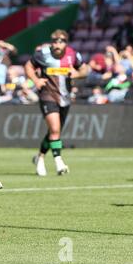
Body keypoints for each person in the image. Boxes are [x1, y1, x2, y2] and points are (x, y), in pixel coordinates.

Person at [25, 29, 89, 176]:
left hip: (65, 98)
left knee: (54, 132)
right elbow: (28, 66)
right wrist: (35, 80)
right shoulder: (42, 53)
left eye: (61, 41)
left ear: (66, 43)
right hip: (48, 96)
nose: (58, 44)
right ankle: (59, 162)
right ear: (51, 42)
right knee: (55, 129)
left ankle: (40, 158)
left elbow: (85, 70)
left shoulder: (73, 55)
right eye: (55, 41)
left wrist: (77, 74)